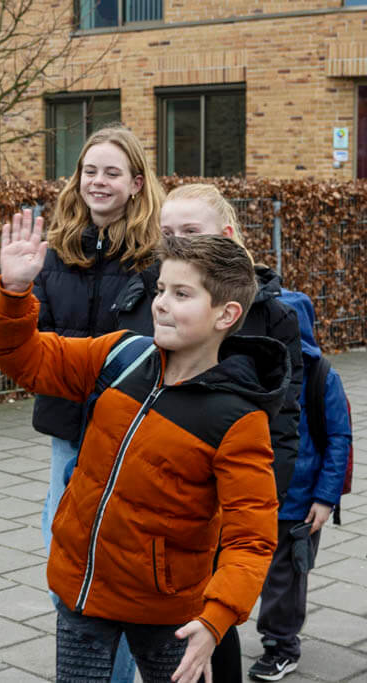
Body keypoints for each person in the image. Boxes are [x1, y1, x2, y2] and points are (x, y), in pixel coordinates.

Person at [0, 212, 284, 683]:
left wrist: (215, 620)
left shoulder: (238, 418)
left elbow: (251, 539)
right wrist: (15, 291)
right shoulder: (122, 355)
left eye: (182, 294)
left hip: (167, 612)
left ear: (226, 315)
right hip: (80, 589)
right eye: (161, 290)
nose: (161, 305)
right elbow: (26, 361)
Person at [112, 183, 304, 681]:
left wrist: (263, 498)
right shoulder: (147, 299)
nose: (176, 243)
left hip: (228, 488)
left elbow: (282, 419)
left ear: (227, 234)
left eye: (189, 232)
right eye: (167, 233)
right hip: (160, 491)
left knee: (212, 610)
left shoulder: (271, 313)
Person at [31, 124, 164, 682]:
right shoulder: (56, 248)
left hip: (130, 434)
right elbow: (35, 339)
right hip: (69, 430)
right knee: (64, 552)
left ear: (136, 183)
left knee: (115, 566)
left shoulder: (155, 258)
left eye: (112, 172)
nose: (98, 182)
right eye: (90, 171)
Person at [248, 290, 352, 681]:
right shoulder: (259, 368)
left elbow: (339, 439)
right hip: (257, 495)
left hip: (299, 504)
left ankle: (281, 645)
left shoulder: (322, 376)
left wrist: (326, 499)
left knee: (285, 580)